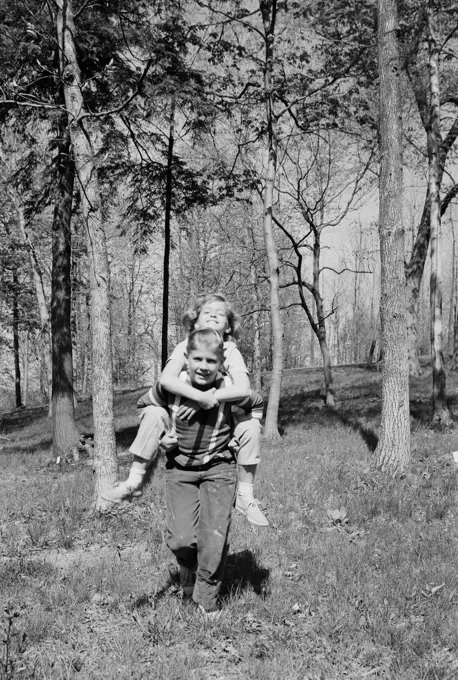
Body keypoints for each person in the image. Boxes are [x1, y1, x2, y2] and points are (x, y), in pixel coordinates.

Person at [102, 292, 268, 527]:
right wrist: (198, 396)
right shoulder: (185, 346)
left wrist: (209, 397)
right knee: (153, 414)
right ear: (195, 323)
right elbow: (167, 380)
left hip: (223, 415)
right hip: (179, 414)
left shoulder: (230, 349)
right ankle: (134, 481)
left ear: (229, 327)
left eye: (220, 315)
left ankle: (246, 496)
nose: (213, 316)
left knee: (250, 428)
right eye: (207, 313)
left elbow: (243, 388)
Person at [145, 328, 263, 613]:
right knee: (180, 539)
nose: (204, 366)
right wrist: (161, 436)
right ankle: (188, 566)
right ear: (186, 358)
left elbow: (256, 402)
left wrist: (247, 429)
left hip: (219, 469)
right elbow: (145, 408)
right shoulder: (172, 387)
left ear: (221, 362)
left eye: (211, 361)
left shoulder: (228, 388)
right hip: (179, 469)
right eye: (197, 359)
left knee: (213, 537)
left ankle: (206, 600)